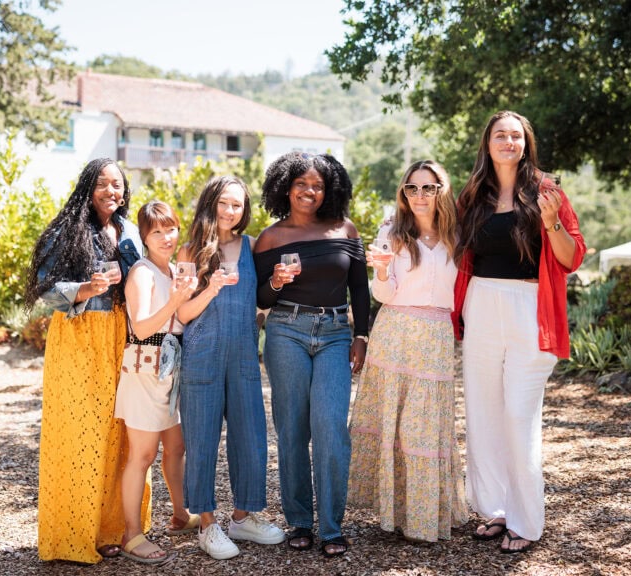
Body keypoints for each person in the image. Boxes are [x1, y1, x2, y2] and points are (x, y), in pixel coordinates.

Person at [452, 111, 586, 554]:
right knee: (484, 414)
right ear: (487, 143)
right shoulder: (473, 194)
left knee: (518, 417)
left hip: (530, 307)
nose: (508, 142)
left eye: (515, 135)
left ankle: (527, 521)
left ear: (526, 142)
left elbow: (571, 258)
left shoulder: (547, 191)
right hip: (483, 304)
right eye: (499, 135)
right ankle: (496, 509)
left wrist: (551, 223)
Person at [25, 158, 150, 564]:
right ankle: (72, 535)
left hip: (123, 337)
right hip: (80, 340)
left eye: (118, 185)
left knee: (122, 433)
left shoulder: (129, 231)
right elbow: (45, 289)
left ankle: (112, 529)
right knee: (82, 435)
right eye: (103, 184)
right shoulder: (67, 230)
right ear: (87, 187)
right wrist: (85, 288)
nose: (112, 191)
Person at [253, 152, 370, 558]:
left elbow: (360, 287)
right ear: (286, 187)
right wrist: (275, 281)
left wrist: (363, 336)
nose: (309, 191)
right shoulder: (270, 238)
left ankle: (333, 526)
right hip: (287, 330)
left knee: (332, 426)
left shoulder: (344, 229)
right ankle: (300, 521)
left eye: (318, 185)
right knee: (292, 429)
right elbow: (261, 297)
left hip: (337, 333)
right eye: (302, 183)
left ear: (329, 190)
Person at [348, 160, 469, 542]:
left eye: (428, 188)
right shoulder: (392, 229)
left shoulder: (458, 234)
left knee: (424, 425)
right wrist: (381, 271)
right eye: (412, 188)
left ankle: (424, 516)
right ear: (404, 192)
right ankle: (396, 513)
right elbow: (382, 295)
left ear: (441, 190)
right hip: (395, 331)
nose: (419, 195)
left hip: (435, 334)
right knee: (394, 424)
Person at [176, 175, 285, 560]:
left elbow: (261, 301)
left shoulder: (253, 248)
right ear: (210, 203)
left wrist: (276, 281)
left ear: (244, 211)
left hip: (242, 353)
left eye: (237, 205)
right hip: (201, 353)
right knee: (202, 439)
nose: (229, 210)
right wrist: (212, 288)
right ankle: (207, 523)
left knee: (251, 436)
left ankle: (243, 516)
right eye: (223, 202)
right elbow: (183, 313)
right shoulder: (189, 252)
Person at [113, 201, 198, 564]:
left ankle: (180, 513)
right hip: (145, 370)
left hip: (171, 370)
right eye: (156, 232)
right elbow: (142, 327)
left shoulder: (175, 270)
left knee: (176, 447)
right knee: (143, 456)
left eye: (171, 229)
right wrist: (177, 299)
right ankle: (132, 534)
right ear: (145, 237)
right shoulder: (143, 273)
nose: (166, 237)